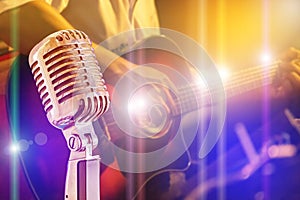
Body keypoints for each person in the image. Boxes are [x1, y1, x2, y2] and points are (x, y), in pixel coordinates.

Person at [1, 1, 300, 199]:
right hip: (43, 125)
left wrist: (258, 96)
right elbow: (15, 12)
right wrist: (120, 71)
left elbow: (161, 110)